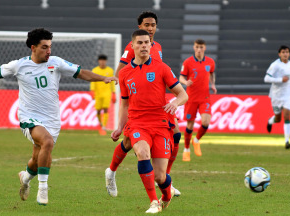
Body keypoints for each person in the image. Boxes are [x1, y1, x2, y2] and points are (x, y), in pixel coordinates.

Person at [0, 28, 118, 206]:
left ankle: (25, 178)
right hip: (29, 117)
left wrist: (103, 79)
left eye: (50, 46)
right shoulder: (19, 65)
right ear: (33, 48)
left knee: (37, 158)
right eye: (44, 47)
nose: (49, 51)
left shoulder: (55, 63)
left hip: (52, 119)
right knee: (46, 142)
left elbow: (81, 72)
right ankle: (43, 188)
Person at [105, 11, 182, 197]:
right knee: (131, 142)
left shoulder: (158, 47)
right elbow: (123, 70)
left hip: (158, 104)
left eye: (153, 25)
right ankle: (112, 171)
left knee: (176, 135)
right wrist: (117, 79)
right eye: (146, 25)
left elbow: (158, 71)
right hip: (137, 103)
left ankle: (164, 177)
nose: (150, 28)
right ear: (140, 27)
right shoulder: (133, 46)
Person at [179, 39, 216, 162]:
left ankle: (196, 140)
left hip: (205, 97)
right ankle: (186, 149)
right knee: (190, 124)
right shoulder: (188, 62)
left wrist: (213, 85)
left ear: (204, 48)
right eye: (197, 47)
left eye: (201, 47)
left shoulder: (210, 62)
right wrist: (185, 82)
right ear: (194, 48)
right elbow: (181, 77)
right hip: (191, 98)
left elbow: (211, 73)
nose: (199, 49)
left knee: (206, 122)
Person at [264, 45, 290, 149]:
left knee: (287, 117)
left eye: (287, 52)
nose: (285, 54)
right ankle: (270, 121)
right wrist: (280, 80)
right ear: (279, 54)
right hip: (276, 95)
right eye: (283, 52)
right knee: (278, 119)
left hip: (287, 94)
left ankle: (287, 141)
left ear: (289, 54)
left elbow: (288, 77)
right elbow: (266, 78)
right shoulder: (275, 65)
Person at [90, 54, 116, 135]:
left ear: (106, 61)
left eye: (104, 60)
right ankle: (100, 124)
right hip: (98, 93)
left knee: (105, 109)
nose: (102, 62)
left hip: (107, 93)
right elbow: (92, 80)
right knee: (98, 110)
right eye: (101, 60)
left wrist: (114, 93)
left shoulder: (110, 70)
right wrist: (92, 91)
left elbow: (112, 83)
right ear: (99, 61)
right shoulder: (95, 70)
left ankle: (104, 126)